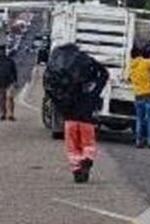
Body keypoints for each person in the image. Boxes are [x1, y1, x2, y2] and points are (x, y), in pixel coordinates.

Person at [46, 44, 109, 183]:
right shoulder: (91, 95)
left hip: (70, 123)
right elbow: (104, 75)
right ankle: (87, 159)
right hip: (87, 122)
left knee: (72, 149)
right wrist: (92, 61)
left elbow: (53, 91)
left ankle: (77, 171)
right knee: (88, 145)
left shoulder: (66, 96)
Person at [0, 45, 18, 121]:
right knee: (2, 99)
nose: (1, 52)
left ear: (5, 51)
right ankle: (3, 113)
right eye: (0, 51)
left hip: (9, 82)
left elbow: (14, 72)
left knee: (10, 98)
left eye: (3, 51)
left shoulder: (10, 61)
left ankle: (11, 114)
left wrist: (15, 81)